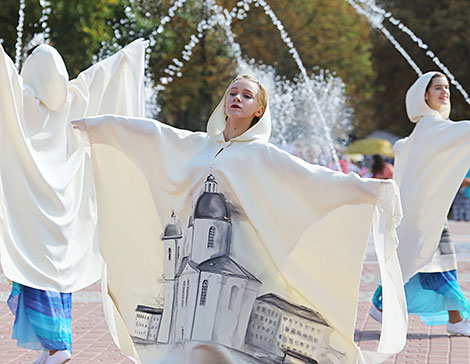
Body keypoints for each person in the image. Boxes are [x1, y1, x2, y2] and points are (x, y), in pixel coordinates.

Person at [73, 74, 407, 364]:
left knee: (218, 346)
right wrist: (100, 127)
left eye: (247, 96)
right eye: (233, 93)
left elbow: (313, 179)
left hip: (241, 267)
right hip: (197, 266)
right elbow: (154, 135)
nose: (237, 98)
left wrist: (368, 190)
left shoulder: (263, 156)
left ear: (259, 110)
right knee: (191, 347)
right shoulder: (199, 146)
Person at [0, 39, 147, 364]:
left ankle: (58, 348)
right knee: (59, 277)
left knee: (37, 274)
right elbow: (107, 74)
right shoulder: (77, 97)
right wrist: (129, 55)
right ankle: (52, 346)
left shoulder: (21, 100)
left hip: (33, 212)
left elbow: (4, 81)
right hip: (65, 215)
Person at [369, 72, 470, 335]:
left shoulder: (426, 129)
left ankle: (455, 320)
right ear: (424, 95)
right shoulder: (432, 127)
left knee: (431, 264)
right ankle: (454, 320)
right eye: (438, 88)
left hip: (423, 214)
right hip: (424, 215)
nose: (445, 92)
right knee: (434, 264)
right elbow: (464, 132)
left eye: (447, 87)